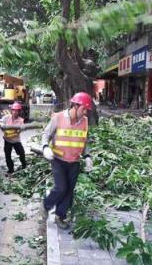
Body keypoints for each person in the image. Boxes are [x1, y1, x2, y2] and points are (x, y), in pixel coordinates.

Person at [41, 92, 93, 229]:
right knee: (61, 188)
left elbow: (85, 141)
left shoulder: (85, 121)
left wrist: (87, 156)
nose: (85, 112)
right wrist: (45, 147)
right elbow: (46, 134)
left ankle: (60, 216)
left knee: (69, 191)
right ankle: (46, 205)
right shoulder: (58, 117)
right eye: (83, 109)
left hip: (74, 162)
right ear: (75, 106)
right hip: (58, 160)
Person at [0, 102, 26, 175]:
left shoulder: (21, 120)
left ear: (19, 112)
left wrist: (19, 129)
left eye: (17, 111)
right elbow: (0, 121)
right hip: (7, 140)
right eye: (13, 110)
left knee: (22, 153)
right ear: (11, 110)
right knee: (7, 156)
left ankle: (24, 166)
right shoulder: (7, 117)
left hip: (16, 141)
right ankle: (10, 169)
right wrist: (2, 125)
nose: (15, 112)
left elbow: (21, 128)